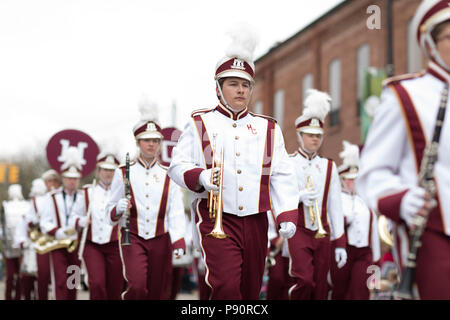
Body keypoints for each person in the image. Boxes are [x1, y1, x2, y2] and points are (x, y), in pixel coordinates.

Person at [168, 25, 299, 300]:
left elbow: (283, 173)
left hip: (256, 220)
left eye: (245, 85)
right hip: (216, 218)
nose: (240, 90)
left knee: (249, 292)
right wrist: (200, 177)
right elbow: (176, 165)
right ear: (218, 89)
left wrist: (287, 212)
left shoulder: (268, 128)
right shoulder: (199, 122)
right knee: (226, 288)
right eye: (233, 84)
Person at [356, 0, 450, 300]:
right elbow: (371, 173)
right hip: (433, 230)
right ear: (429, 44)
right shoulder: (405, 94)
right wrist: (403, 199)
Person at [107, 103, 186, 300]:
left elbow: (175, 210)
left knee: (158, 291)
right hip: (132, 236)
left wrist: (178, 240)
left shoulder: (170, 174)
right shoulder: (122, 172)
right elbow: (110, 209)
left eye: (155, 140)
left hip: (162, 238)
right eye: (146, 140)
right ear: (137, 142)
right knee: (138, 287)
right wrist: (118, 207)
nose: (151, 144)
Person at [286, 89, 347, 300]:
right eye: (310, 135)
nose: (315, 140)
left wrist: (340, 243)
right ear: (299, 136)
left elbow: (336, 207)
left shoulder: (329, 166)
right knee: (304, 280)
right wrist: (298, 198)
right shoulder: (289, 163)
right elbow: (279, 197)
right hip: (299, 230)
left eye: (318, 136)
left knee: (321, 286)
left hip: (323, 232)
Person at [329, 141, 380, 300]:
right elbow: (328, 224)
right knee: (340, 291)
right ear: (342, 180)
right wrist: (344, 220)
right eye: (350, 179)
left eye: (355, 179)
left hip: (364, 253)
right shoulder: (335, 198)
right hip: (342, 250)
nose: (353, 182)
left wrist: (376, 261)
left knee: (361, 291)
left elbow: (374, 233)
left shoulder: (365, 200)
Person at [70, 148, 123, 299]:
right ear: (99, 170)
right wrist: (81, 221)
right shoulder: (87, 191)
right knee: (97, 283)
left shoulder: (122, 192)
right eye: (105, 169)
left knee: (114, 286)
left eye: (112, 170)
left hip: (115, 244)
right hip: (92, 244)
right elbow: (74, 216)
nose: (108, 173)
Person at [40, 147, 83, 300]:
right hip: (58, 244)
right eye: (69, 178)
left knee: (74, 281)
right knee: (60, 280)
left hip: (76, 245)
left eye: (75, 178)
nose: (72, 181)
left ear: (79, 179)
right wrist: (57, 231)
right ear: (63, 179)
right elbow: (44, 221)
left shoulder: (85, 196)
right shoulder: (52, 196)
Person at [1, 184, 30, 300]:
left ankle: (14, 296)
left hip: (17, 247)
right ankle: (11, 296)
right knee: (14, 275)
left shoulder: (23, 205)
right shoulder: (8, 206)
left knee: (16, 275)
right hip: (14, 248)